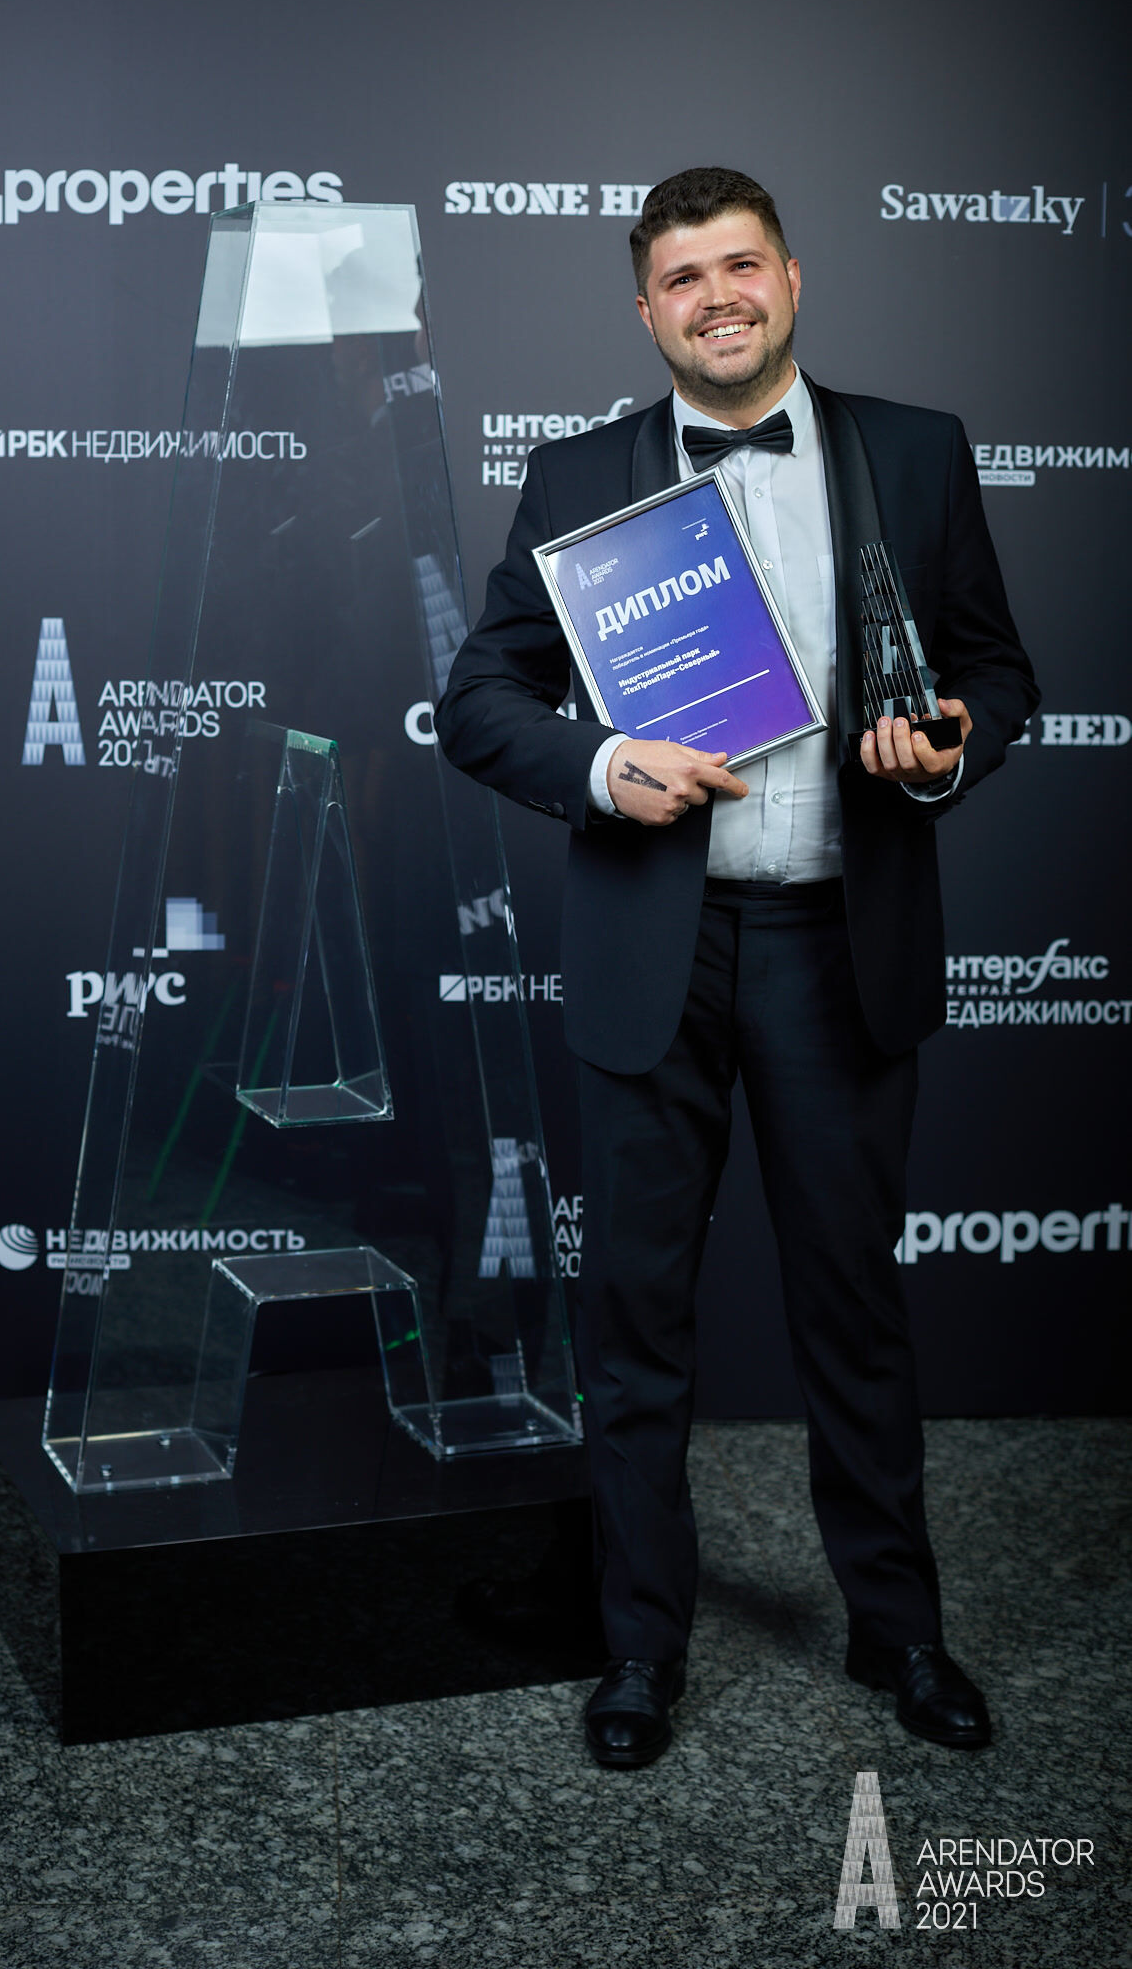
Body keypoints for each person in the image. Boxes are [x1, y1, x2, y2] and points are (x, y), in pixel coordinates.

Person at [436, 167, 1038, 1770]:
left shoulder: (915, 450)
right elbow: (477, 700)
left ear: (791, 279)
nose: (717, 296)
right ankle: (638, 1647)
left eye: (741, 264)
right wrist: (599, 763)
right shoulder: (577, 477)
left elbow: (995, 671)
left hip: (841, 944)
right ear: (646, 310)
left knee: (855, 1313)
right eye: (683, 276)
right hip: (660, 949)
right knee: (636, 1323)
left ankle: (898, 1631)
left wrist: (947, 748)